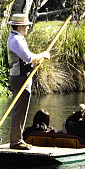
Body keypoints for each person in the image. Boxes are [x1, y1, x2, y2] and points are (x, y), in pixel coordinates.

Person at [6, 13, 50, 150]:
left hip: (22, 76)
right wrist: (43, 54)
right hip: (20, 78)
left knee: (21, 110)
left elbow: (26, 59)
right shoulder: (16, 40)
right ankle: (16, 141)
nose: (28, 28)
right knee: (19, 110)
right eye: (26, 26)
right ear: (20, 26)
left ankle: (18, 139)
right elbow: (28, 57)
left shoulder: (18, 38)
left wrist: (34, 64)